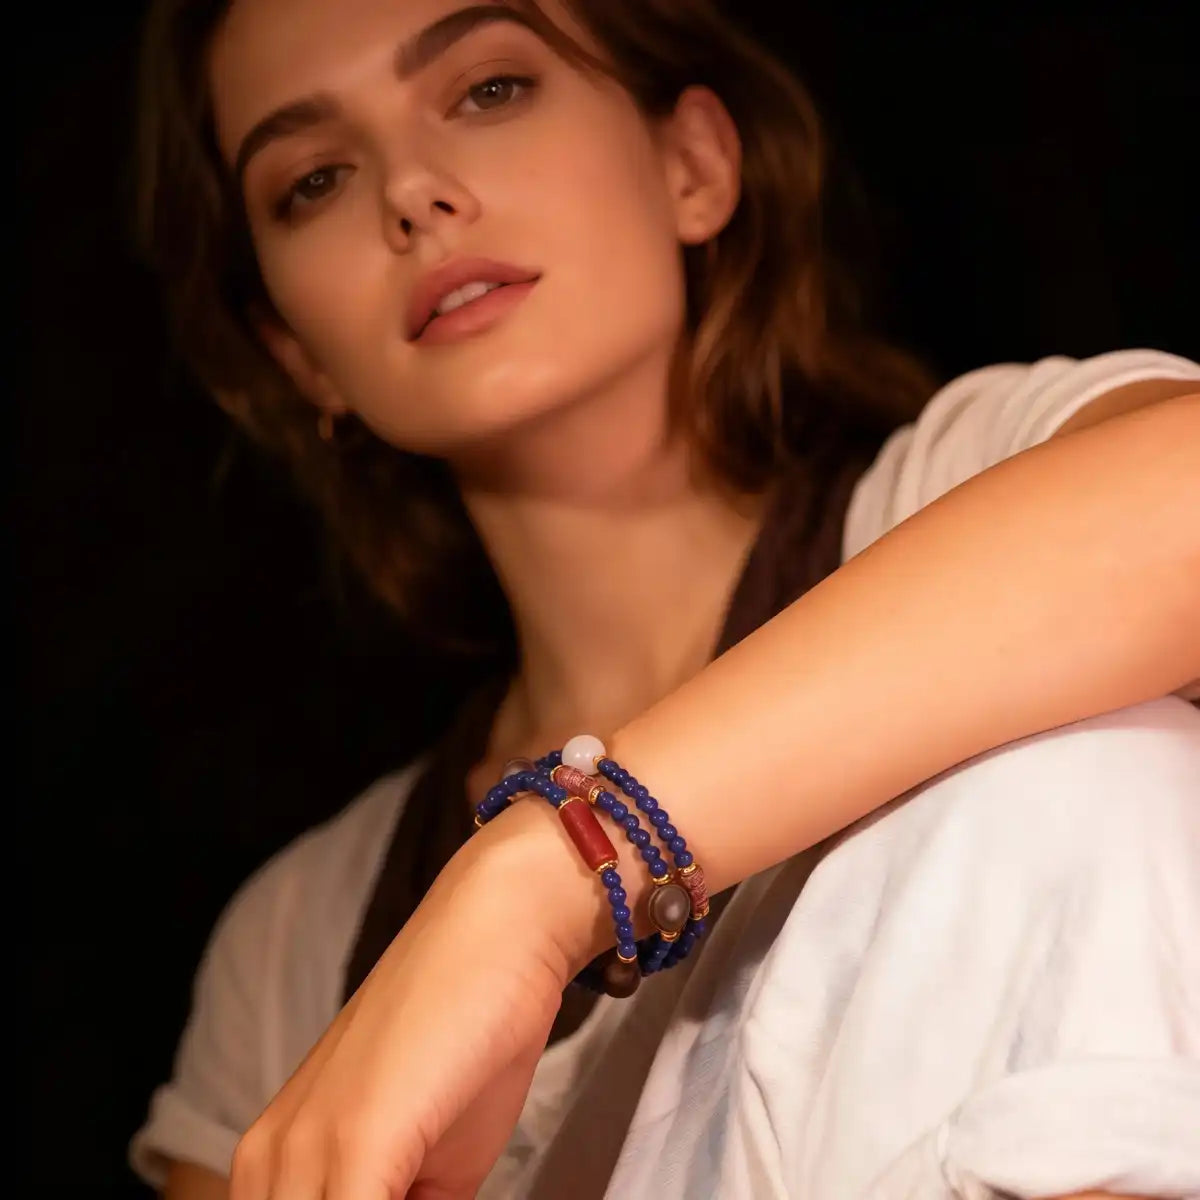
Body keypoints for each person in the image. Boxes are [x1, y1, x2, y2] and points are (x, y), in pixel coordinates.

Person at [128, 0, 1200, 1196]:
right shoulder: (295, 943)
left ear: (693, 165)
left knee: (1080, 751)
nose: (410, 192)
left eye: (488, 89)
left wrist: (548, 877)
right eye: (315, 178)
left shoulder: (966, 478)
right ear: (297, 354)